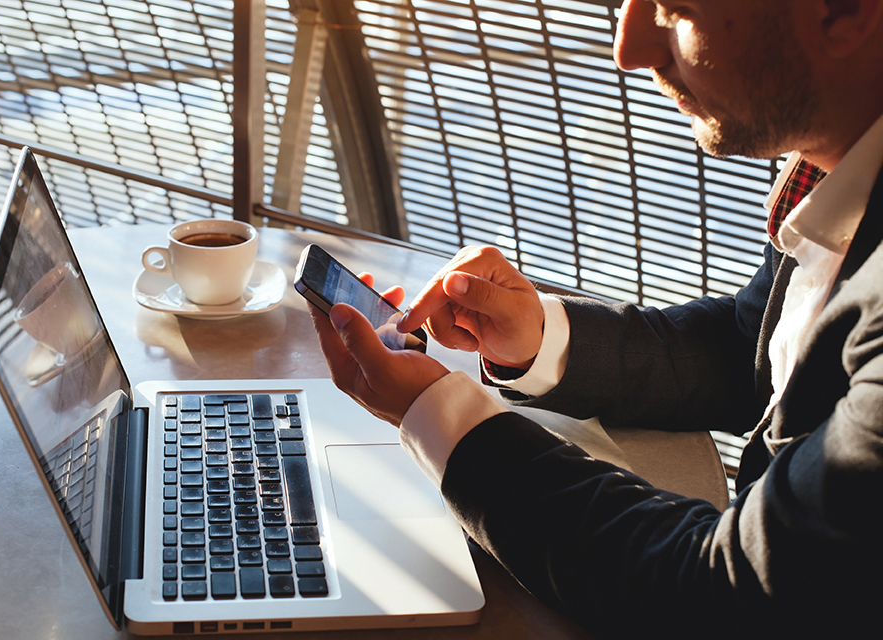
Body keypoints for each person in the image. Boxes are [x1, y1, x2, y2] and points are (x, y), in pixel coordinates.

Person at [308, 0, 883, 637]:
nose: (628, 49)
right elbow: (752, 345)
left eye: (675, 8)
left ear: (845, 11)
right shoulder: (836, 168)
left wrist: (444, 420)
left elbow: (725, 588)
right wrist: (538, 338)